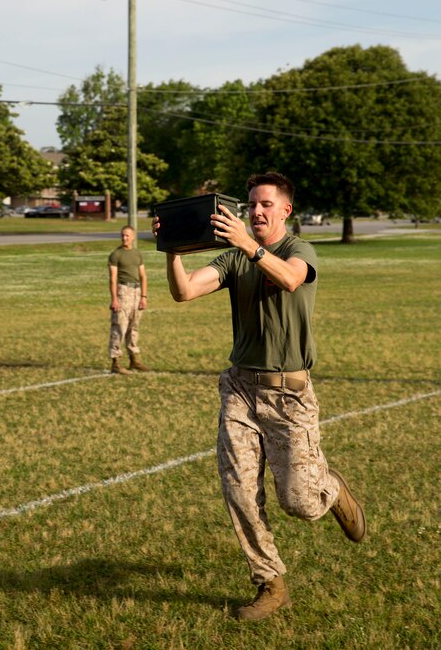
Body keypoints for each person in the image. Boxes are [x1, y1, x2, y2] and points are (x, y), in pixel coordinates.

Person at [153, 171, 366, 621]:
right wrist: (172, 248)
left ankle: (332, 488)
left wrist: (251, 247)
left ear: (286, 210)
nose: (256, 211)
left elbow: (290, 279)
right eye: (251, 204)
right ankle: (270, 582)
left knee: (300, 503)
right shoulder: (234, 259)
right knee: (240, 493)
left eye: (266, 204)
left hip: (288, 396)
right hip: (240, 390)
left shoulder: (298, 250)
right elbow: (184, 291)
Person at [108, 225, 149, 374]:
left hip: (136, 292)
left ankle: (134, 360)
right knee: (119, 326)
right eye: (122, 235)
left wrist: (143, 296)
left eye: (127, 235)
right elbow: (112, 279)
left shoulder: (137, 254)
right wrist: (114, 299)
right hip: (122, 291)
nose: (124, 238)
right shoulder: (116, 255)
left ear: (133, 237)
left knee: (134, 327)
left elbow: (143, 276)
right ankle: (116, 362)